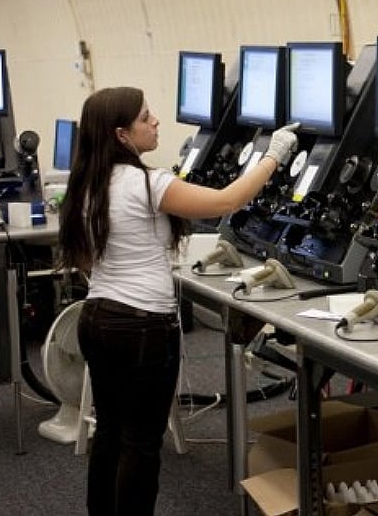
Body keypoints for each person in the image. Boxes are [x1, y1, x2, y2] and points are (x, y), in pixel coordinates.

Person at [56, 86, 298, 516]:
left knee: (110, 433)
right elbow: (228, 200)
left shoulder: (86, 184)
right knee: (142, 445)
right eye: (146, 118)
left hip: (96, 319)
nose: (155, 123)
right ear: (121, 135)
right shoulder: (148, 183)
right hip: (143, 330)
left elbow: (86, 259)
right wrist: (274, 154)